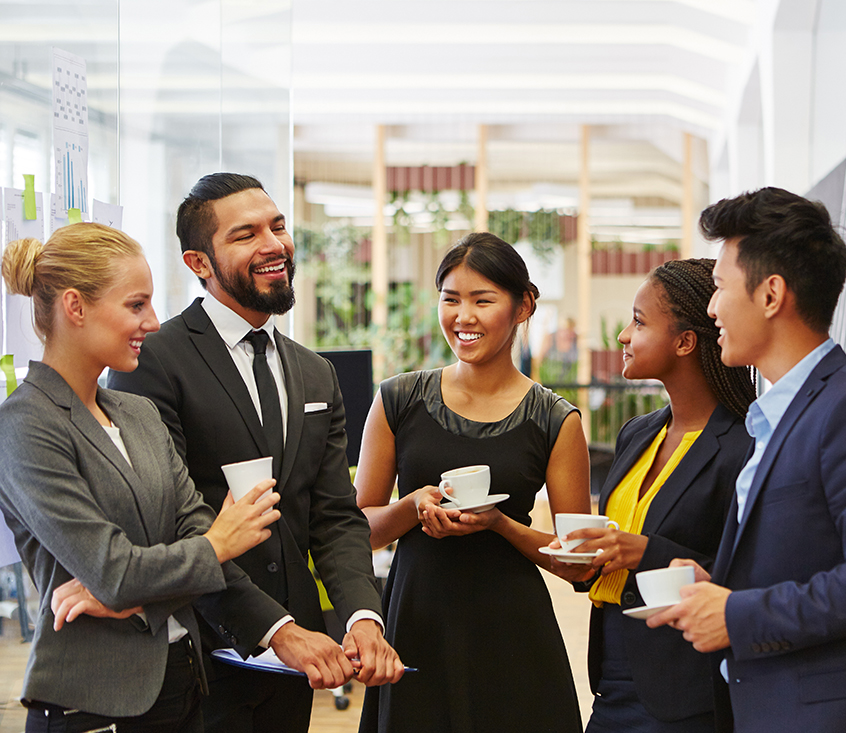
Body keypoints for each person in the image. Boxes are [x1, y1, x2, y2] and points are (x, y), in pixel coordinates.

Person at [108, 173, 403, 733]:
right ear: (198, 262)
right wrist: (276, 630)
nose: (274, 245)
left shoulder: (315, 372)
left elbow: (334, 516)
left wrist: (362, 617)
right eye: (246, 235)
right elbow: (170, 522)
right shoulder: (153, 361)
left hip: (294, 671)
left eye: (278, 226)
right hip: (198, 659)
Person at [648, 188, 846, 732]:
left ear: (771, 295)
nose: (711, 308)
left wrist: (736, 615)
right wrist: (719, 584)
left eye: (719, 288)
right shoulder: (780, 415)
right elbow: (808, 559)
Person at [0, 224, 291, 732]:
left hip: (183, 686)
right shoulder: (25, 424)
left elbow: (181, 535)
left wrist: (132, 596)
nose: (153, 323)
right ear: (75, 307)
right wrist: (214, 546)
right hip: (93, 704)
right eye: (136, 305)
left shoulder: (138, 413)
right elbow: (116, 570)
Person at [355, 232, 590, 733]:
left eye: (483, 301)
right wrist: (411, 507)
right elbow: (358, 532)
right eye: (451, 299)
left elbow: (578, 565)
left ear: (523, 306)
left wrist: (499, 524)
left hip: (513, 634)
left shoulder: (555, 420)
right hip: (416, 624)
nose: (463, 317)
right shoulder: (398, 400)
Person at [556, 258, 756, 732]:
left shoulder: (746, 444)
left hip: (687, 689)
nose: (623, 335)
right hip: (611, 678)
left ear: (685, 342)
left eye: (639, 322)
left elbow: (751, 573)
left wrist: (645, 552)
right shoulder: (637, 433)